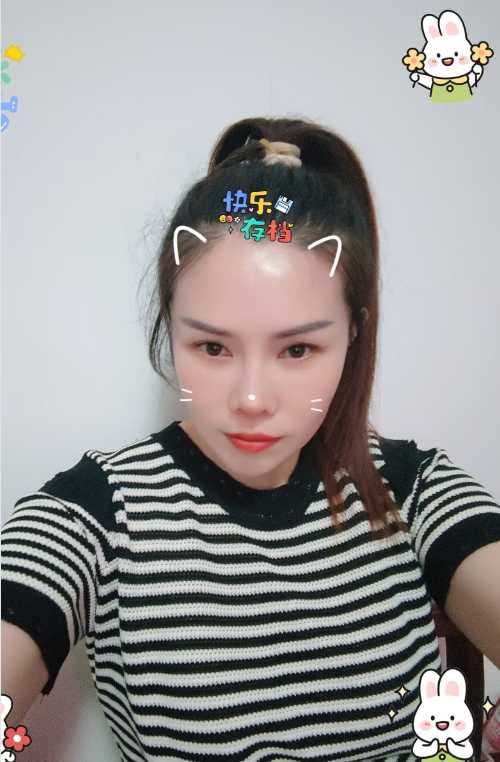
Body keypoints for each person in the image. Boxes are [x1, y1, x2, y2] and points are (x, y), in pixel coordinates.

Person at [2, 116, 500, 762]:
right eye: (212, 347)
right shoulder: (100, 509)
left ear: (353, 332)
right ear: (171, 329)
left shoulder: (412, 488)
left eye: (297, 349)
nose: (253, 399)